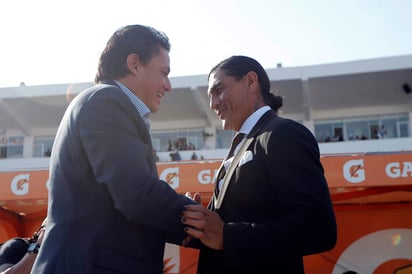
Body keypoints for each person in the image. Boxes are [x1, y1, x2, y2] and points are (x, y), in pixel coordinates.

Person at [32, 24, 198, 273]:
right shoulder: (106, 102)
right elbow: (136, 193)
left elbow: (119, 207)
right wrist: (194, 218)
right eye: (164, 72)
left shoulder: (108, 105)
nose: (168, 85)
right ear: (134, 64)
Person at [182, 56, 337, 273]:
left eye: (218, 90)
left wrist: (227, 235)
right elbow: (224, 231)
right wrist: (198, 222)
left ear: (250, 81)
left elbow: (318, 228)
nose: (212, 104)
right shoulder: (242, 144)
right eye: (210, 96)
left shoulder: (282, 133)